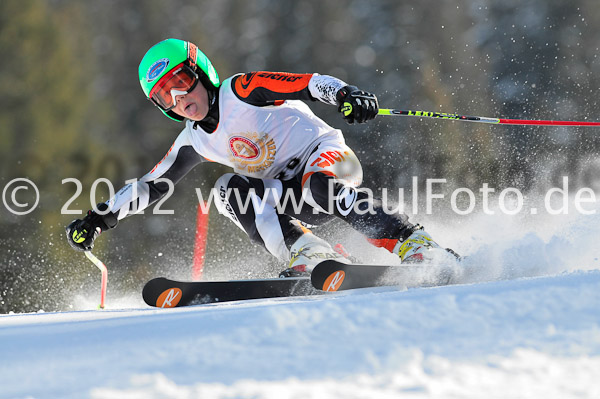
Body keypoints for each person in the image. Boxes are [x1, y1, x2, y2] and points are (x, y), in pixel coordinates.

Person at [66, 38, 456, 276]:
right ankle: (307, 252)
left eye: (181, 82)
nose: (179, 98)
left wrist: (344, 93)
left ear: (200, 72)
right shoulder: (194, 141)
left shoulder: (242, 90)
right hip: (292, 196)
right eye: (164, 96)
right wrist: (100, 218)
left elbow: (305, 84)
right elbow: (151, 186)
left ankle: (412, 242)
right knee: (227, 190)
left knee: (319, 183)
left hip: (331, 161)